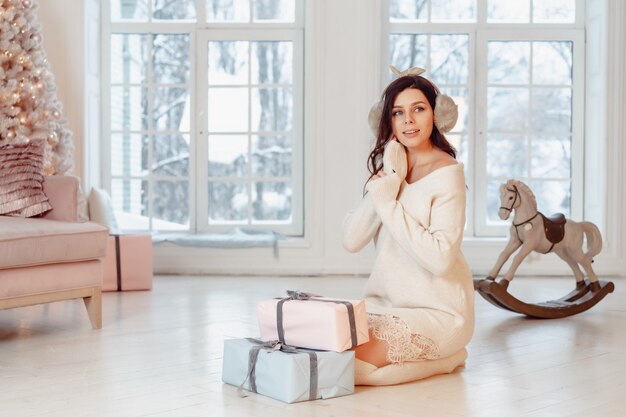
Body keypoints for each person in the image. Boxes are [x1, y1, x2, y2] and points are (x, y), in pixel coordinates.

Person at [342, 66, 474, 386]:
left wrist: (389, 203)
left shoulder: (448, 174)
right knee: (328, 353)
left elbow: (440, 259)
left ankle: (449, 357)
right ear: (388, 121)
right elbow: (351, 240)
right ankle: (446, 359)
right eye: (398, 113)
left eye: (418, 109)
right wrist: (387, 182)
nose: (408, 121)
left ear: (436, 115)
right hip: (382, 305)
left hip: (438, 311)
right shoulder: (393, 169)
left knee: (348, 370)